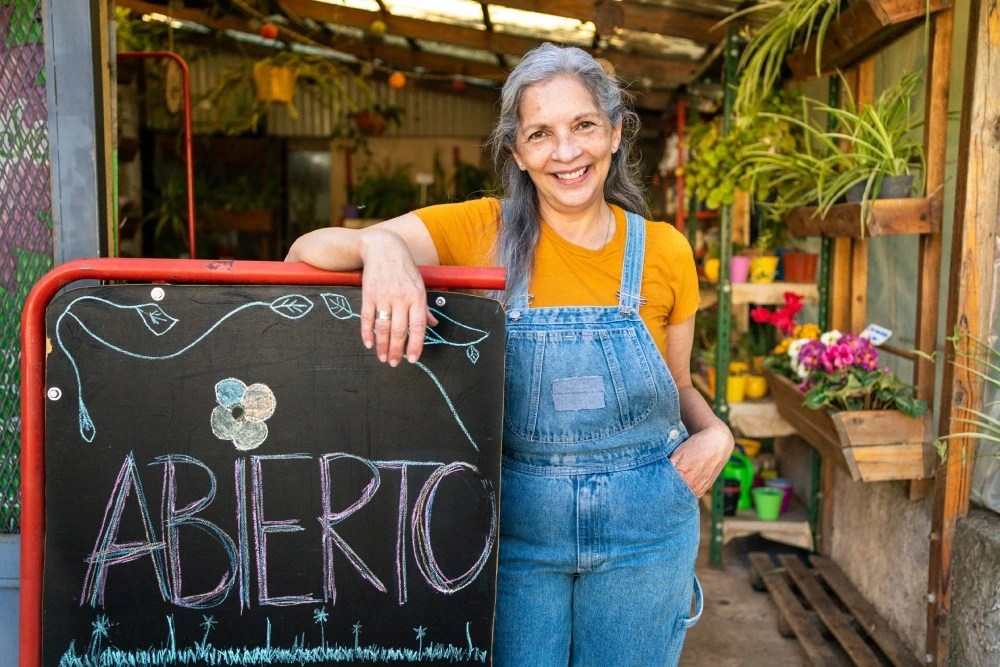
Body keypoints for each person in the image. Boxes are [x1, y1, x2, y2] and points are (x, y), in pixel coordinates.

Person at [287, 42, 734, 666]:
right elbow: (304, 252)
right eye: (540, 133)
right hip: (514, 525)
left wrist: (717, 434)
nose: (566, 151)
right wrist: (380, 248)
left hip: (648, 527)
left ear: (613, 134)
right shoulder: (481, 231)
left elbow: (680, 388)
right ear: (518, 153)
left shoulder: (664, 251)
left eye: (583, 126)